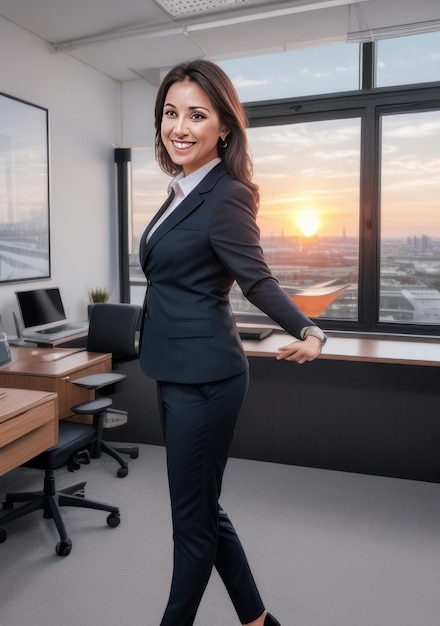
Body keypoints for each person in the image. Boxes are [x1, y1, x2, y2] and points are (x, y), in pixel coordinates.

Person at [138, 59, 327, 626]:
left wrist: (309, 329)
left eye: (197, 115)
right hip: (175, 370)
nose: (180, 127)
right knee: (202, 512)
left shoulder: (226, 194)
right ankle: (258, 620)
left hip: (207, 381)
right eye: (171, 113)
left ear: (224, 127)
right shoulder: (179, 191)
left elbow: (257, 279)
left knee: (190, 527)